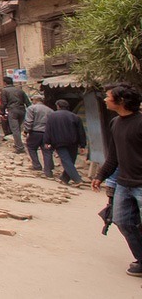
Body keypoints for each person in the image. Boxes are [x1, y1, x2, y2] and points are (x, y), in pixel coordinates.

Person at [92, 83, 142, 276]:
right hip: (124, 183)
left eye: (108, 96)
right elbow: (113, 156)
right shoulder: (115, 123)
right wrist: (101, 175)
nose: (105, 99)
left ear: (120, 101)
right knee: (122, 221)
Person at [43, 99, 87, 186]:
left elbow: (48, 129)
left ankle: (77, 179)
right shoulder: (75, 116)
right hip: (73, 142)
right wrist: (82, 145)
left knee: (66, 160)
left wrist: (47, 141)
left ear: (58, 106)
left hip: (59, 142)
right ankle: (64, 178)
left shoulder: (52, 116)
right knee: (70, 160)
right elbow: (81, 132)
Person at [22, 94, 54, 178]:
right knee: (47, 151)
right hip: (47, 133)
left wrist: (26, 131)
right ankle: (48, 170)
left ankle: (36, 165)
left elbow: (29, 121)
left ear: (35, 100)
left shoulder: (31, 108)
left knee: (31, 148)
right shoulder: (50, 110)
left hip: (35, 132)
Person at [0, 76, 31, 154]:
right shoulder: (20, 90)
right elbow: (27, 102)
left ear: (5, 83)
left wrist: (2, 113)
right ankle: (20, 143)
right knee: (20, 128)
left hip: (13, 110)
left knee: (15, 129)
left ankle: (20, 148)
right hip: (22, 110)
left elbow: (3, 103)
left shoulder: (4, 91)